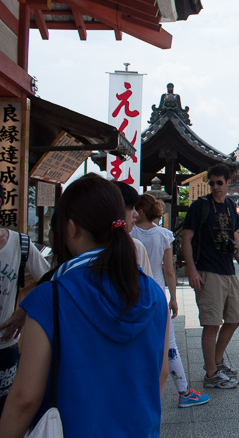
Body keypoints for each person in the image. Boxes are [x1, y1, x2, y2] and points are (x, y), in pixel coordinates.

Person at [0, 173, 168, 437]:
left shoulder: (50, 297)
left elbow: (25, 399)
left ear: (71, 228)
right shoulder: (154, 294)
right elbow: (161, 372)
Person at [133, 193, 209, 408]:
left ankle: (138, 392)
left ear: (140, 211)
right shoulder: (163, 235)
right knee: (169, 343)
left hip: (133, 292)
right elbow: (169, 270)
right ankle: (184, 391)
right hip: (157, 291)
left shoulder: (129, 234)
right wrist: (173, 298)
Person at [182, 164, 239, 388]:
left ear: (228, 182)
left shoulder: (230, 206)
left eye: (219, 183)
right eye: (212, 183)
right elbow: (186, 238)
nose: (215, 187)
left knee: (236, 317)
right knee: (211, 323)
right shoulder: (199, 206)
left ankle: (217, 361)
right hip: (207, 270)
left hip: (228, 269)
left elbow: (235, 237)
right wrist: (192, 270)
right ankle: (211, 374)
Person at [0, 225, 50, 415]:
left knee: (4, 409)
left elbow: (49, 281)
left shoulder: (20, 244)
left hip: (5, 345)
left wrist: (24, 309)